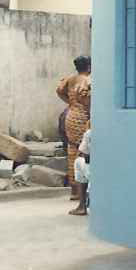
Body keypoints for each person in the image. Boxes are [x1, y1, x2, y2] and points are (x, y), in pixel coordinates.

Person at [56, 55, 91, 200]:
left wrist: (70, 102)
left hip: (70, 116)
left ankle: (74, 191)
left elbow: (59, 90)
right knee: (84, 153)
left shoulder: (70, 79)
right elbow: (87, 100)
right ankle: (83, 192)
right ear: (89, 66)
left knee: (72, 151)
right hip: (83, 117)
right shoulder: (88, 80)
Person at [70, 121, 91, 216]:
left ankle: (82, 206)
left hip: (95, 172)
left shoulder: (90, 133)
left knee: (78, 161)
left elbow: (84, 153)